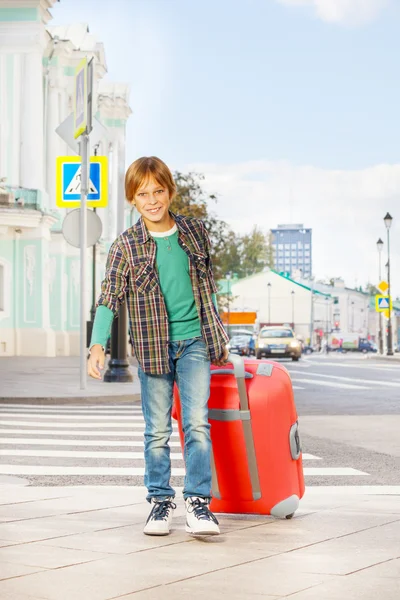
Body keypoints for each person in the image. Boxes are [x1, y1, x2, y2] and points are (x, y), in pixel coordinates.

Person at [87, 156, 229, 537]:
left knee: (197, 423)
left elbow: (207, 286)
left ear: (170, 191)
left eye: (158, 191)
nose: (152, 200)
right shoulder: (126, 246)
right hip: (152, 347)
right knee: (157, 431)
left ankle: (198, 502)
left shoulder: (195, 232)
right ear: (132, 199)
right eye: (142, 194)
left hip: (195, 340)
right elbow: (109, 298)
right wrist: (97, 345)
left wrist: (217, 333)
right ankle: (160, 502)